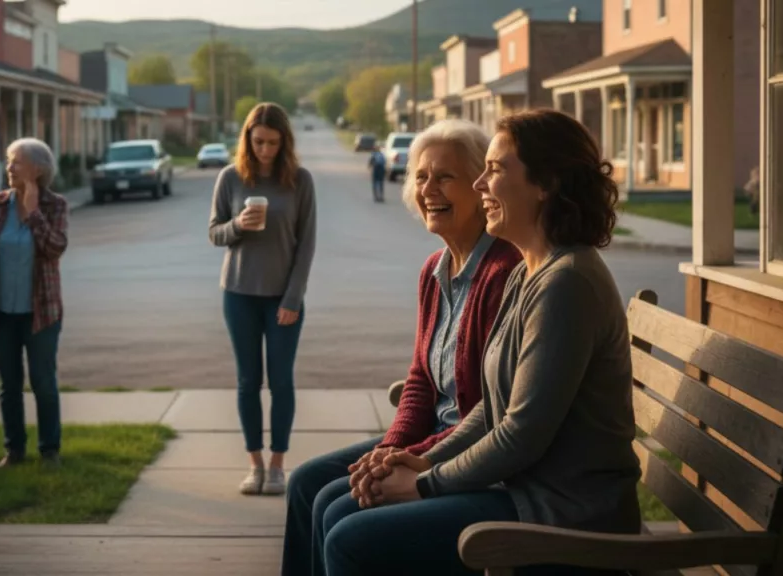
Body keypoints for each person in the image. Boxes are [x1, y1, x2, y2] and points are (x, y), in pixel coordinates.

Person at [321, 109, 641, 576]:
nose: (479, 185)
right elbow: (491, 410)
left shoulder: (567, 284)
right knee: (338, 511)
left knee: (351, 538)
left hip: (567, 519)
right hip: (525, 494)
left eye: (494, 169)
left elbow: (520, 435)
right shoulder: (530, 273)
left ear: (544, 183)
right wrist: (421, 459)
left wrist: (424, 485)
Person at [281, 119, 521, 576]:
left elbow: (490, 413)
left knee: (338, 508)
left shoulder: (503, 271)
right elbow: (419, 383)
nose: (429, 188)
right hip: (429, 438)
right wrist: (391, 447)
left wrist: (399, 460)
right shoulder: (435, 270)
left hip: (466, 454)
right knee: (305, 484)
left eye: (445, 176)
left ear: (479, 185)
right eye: (422, 176)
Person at [208, 102, 318, 496]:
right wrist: (238, 225)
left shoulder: (300, 181)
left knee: (282, 382)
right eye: (258, 142)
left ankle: (277, 466)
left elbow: (306, 245)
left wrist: (293, 298)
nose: (265, 150)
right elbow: (214, 232)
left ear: (284, 141)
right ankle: (254, 464)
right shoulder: (230, 177)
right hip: (238, 294)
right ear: (247, 140)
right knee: (247, 381)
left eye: (273, 142)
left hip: (283, 299)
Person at [0, 137, 69, 469]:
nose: (8, 168)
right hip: (2, 313)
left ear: (37, 170)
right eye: (8, 161)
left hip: (42, 312)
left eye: (16, 162)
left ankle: (49, 451)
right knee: (9, 385)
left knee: (43, 382)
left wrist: (32, 213)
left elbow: (55, 248)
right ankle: (14, 451)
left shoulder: (55, 205)